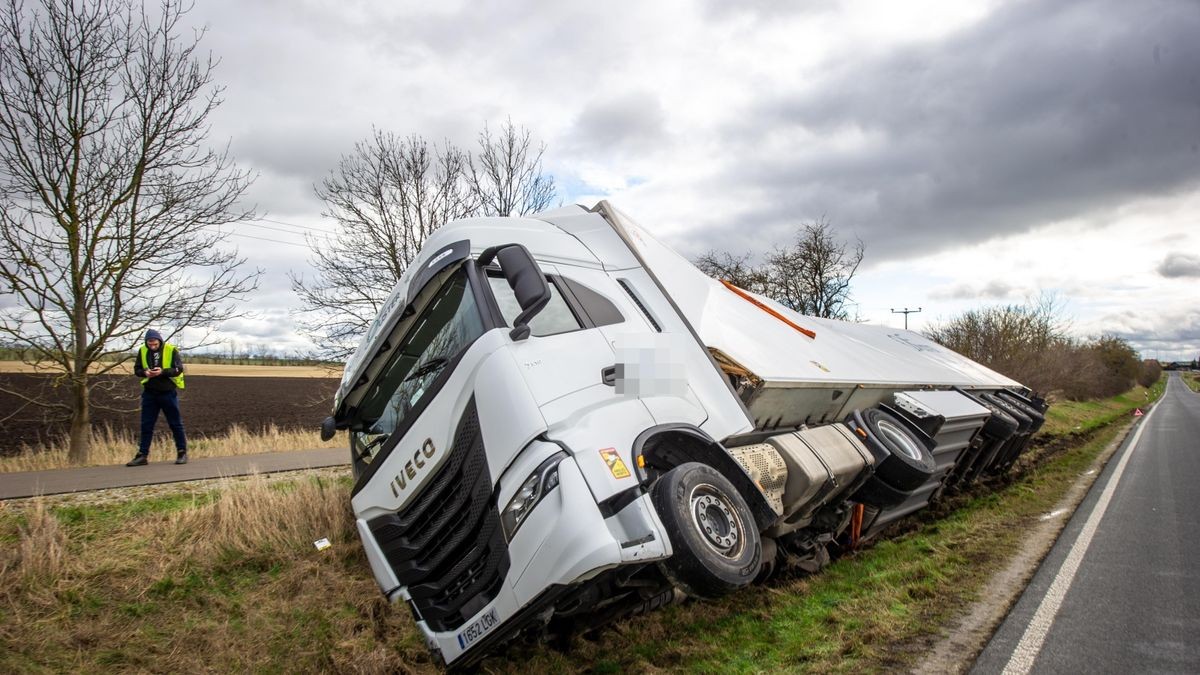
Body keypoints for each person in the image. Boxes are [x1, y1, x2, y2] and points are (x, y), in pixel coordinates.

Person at [125, 329, 188, 466]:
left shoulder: (171, 350)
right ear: (146, 342)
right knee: (146, 425)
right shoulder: (142, 351)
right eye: (150, 344)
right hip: (149, 393)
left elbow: (178, 369)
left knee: (175, 423)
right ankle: (142, 455)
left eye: (154, 343)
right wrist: (145, 372)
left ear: (159, 340)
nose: (152, 346)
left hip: (168, 392)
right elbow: (137, 370)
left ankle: (182, 453)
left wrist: (162, 372)